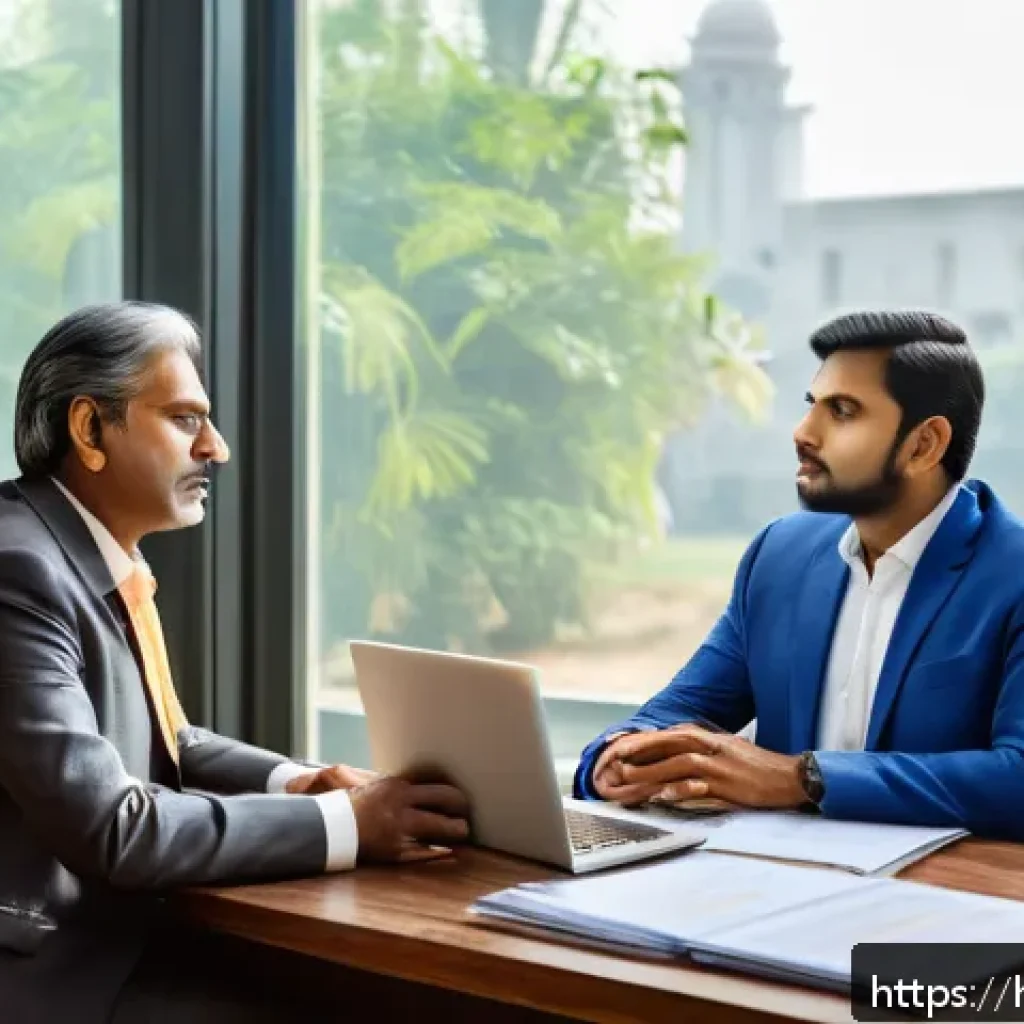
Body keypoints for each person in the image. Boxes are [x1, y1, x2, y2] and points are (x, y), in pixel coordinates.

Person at [0, 302, 471, 1022]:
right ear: (91, 429)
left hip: (126, 937)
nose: (215, 447)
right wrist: (346, 824)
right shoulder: (19, 572)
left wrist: (300, 783)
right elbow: (115, 829)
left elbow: (170, 742)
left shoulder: (79, 548)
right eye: (186, 419)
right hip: (56, 978)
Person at [575, 309, 1024, 840]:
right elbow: (684, 709)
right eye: (812, 404)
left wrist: (802, 778)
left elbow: (1016, 776)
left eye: (843, 411)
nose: (803, 432)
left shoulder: (1009, 571)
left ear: (924, 444)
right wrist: (617, 759)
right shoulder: (780, 554)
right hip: (782, 879)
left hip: (953, 897)